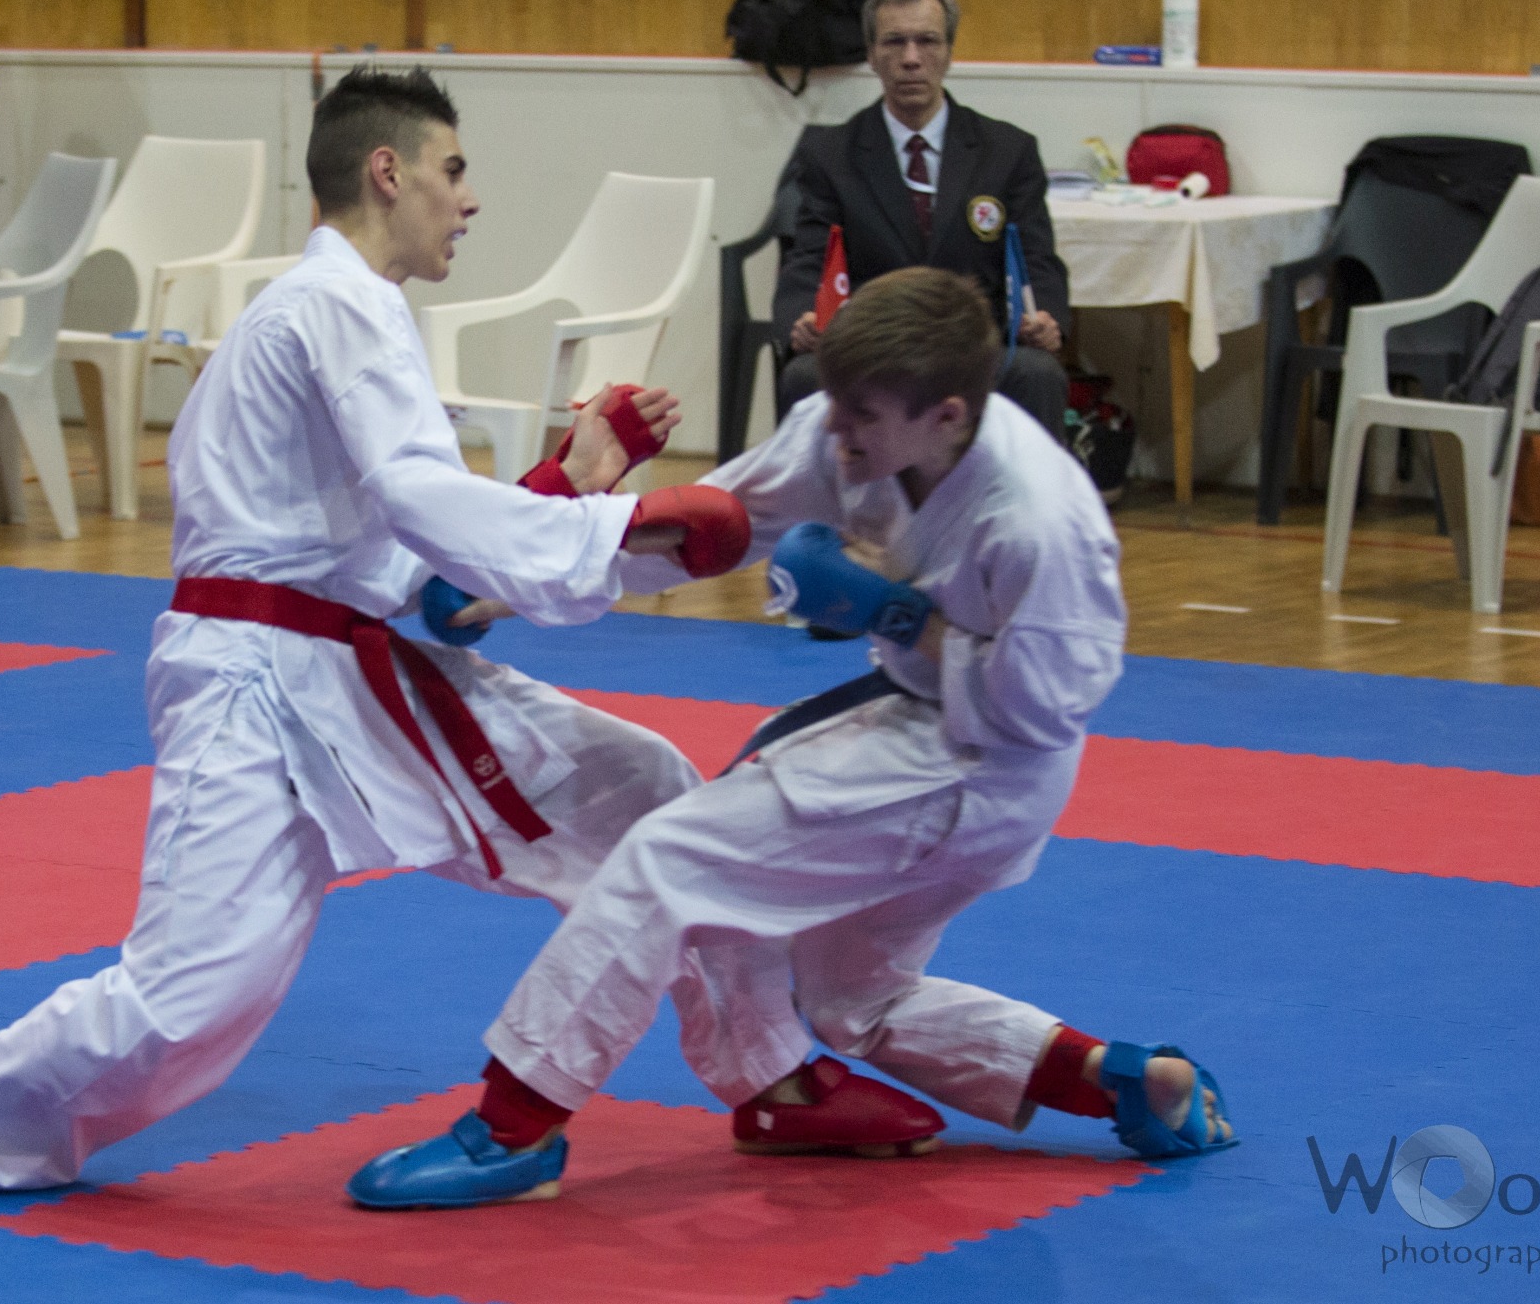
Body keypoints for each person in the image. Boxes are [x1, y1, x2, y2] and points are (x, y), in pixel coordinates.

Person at [0, 66, 768, 1201]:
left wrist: (572, 480)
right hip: (254, 682)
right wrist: (624, 529)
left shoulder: (344, 309)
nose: (469, 199)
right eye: (454, 170)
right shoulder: (335, 304)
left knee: (647, 793)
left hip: (340, 661)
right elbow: (420, 503)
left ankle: (776, 1079)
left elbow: (418, 575)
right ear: (388, 171)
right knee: (195, 994)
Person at [350, 268, 1235, 1211]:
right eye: (834, 402)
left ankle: (513, 1129)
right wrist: (506, 586)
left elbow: (1048, 709)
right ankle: (1122, 1081)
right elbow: (711, 527)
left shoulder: (1040, 521)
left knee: (668, 859)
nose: (836, 432)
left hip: (986, 767)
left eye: (864, 416)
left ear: (945, 416)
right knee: (855, 1000)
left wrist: (897, 613)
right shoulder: (842, 423)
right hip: (917, 720)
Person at [773, 0, 1072, 442]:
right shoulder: (831, 155)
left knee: (1037, 374)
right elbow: (810, 257)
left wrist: (1047, 317)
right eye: (894, 42)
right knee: (805, 376)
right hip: (873, 346)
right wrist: (801, 318)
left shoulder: (1008, 150)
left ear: (949, 52)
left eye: (927, 41)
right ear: (872, 54)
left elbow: (1037, 258)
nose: (911, 59)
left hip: (974, 345)